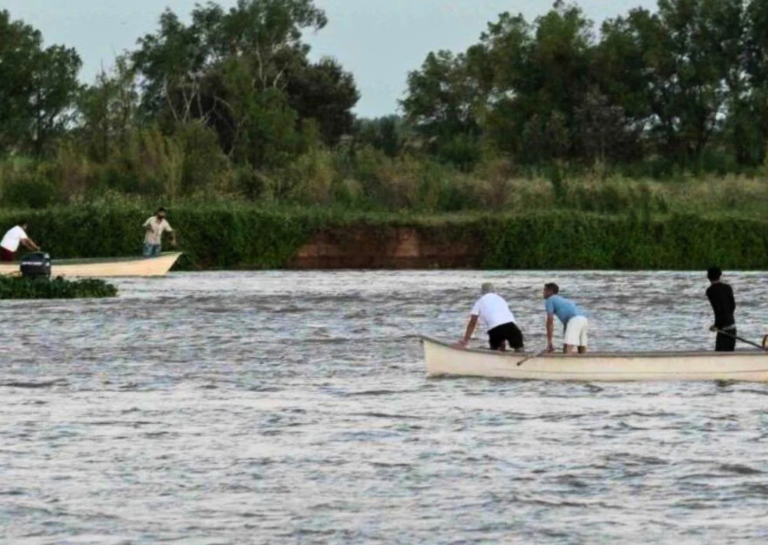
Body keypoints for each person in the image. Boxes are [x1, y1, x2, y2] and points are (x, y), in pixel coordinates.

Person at [457, 283, 524, 352]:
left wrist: (465, 340)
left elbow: (472, 322)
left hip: (495, 330)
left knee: (496, 351)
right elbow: (503, 321)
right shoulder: (501, 299)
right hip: (512, 327)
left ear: (482, 292)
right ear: (494, 290)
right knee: (519, 349)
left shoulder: (480, 302)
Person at [543, 283, 588, 354]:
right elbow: (568, 322)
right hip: (583, 320)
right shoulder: (563, 300)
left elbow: (550, 322)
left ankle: (565, 362)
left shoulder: (550, 300)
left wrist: (549, 342)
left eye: (545, 290)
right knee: (581, 347)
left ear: (551, 291)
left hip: (574, 320)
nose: (543, 293)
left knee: (567, 347)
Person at [706, 267, 737, 352]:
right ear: (720, 276)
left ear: (708, 277)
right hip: (732, 326)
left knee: (720, 354)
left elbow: (718, 309)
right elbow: (732, 306)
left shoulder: (710, 291)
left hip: (723, 328)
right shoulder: (728, 287)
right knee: (730, 354)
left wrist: (717, 325)